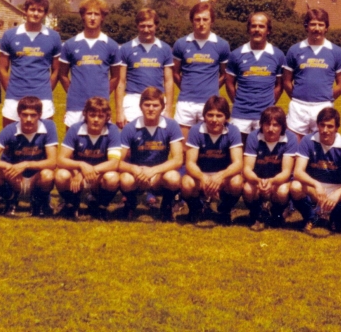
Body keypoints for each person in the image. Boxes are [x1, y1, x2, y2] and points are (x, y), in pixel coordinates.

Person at [0, 96, 58, 217]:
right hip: (13, 178)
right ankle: (10, 199)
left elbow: (53, 162)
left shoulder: (48, 127)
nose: (28, 119)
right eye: (24, 114)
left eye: (33, 115)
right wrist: (8, 166)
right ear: (18, 114)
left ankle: (38, 202)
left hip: (36, 178)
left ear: (40, 115)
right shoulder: (10, 130)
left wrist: (26, 164)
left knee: (48, 174)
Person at [118, 87, 184, 221]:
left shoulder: (171, 125)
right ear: (140, 106)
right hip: (137, 175)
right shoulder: (130, 127)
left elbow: (178, 159)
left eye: (155, 105)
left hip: (158, 175)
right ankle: (130, 204)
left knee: (173, 177)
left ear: (162, 107)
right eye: (147, 105)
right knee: (125, 178)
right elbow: (117, 161)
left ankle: (166, 207)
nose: (151, 108)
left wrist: (153, 171)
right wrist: (133, 169)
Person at [290, 107, 341, 233]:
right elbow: (298, 172)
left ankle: (335, 218)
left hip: (336, 187)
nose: (325, 130)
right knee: (295, 186)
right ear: (317, 125)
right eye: (322, 125)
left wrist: (338, 193)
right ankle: (311, 217)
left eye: (330, 126)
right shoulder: (308, 140)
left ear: (337, 128)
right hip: (314, 186)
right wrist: (316, 184)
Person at [0, 0, 62, 127]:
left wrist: (45, 89)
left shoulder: (54, 37)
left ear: (44, 14)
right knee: (11, 140)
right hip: (14, 97)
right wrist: (11, 89)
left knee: (43, 141)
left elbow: (56, 70)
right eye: (32, 9)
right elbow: (2, 68)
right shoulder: (10, 35)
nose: (36, 14)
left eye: (40, 10)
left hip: (42, 97)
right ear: (25, 11)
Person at [282, 8, 341, 140]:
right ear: (306, 26)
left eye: (321, 24)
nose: (316, 28)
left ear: (326, 27)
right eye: (313, 24)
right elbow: (286, 81)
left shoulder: (336, 51)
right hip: (298, 107)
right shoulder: (295, 50)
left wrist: (327, 96)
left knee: (321, 149)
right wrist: (297, 96)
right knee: (295, 147)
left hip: (323, 106)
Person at [55, 97, 122, 220]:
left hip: (99, 177)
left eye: (101, 116)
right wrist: (81, 166)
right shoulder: (75, 129)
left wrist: (89, 171)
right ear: (85, 114)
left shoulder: (112, 130)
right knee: (61, 175)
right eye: (92, 115)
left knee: (112, 177)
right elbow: (60, 159)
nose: (96, 119)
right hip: (77, 176)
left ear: (107, 118)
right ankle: (71, 204)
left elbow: (114, 163)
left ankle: (101, 207)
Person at [59, 0, 121, 129]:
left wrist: (104, 93)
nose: (92, 18)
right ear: (82, 16)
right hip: (76, 105)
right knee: (73, 144)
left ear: (102, 17)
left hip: (101, 105)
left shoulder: (111, 45)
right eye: (89, 13)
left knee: (99, 146)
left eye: (96, 14)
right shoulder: (70, 44)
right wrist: (73, 92)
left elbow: (116, 77)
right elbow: (62, 74)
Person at [172, 2, 231, 139]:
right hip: (185, 103)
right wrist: (186, 88)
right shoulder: (181, 44)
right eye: (197, 19)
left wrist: (212, 87)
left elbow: (225, 74)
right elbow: (175, 72)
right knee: (184, 148)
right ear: (192, 21)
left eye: (205, 19)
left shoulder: (222, 45)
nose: (201, 23)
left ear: (212, 21)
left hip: (210, 103)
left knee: (208, 148)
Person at [182, 96, 244, 225]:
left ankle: (225, 210)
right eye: (210, 115)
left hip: (223, 177)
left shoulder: (233, 131)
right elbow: (190, 163)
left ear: (226, 117)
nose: (214, 120)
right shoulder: (195, 130)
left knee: (237, 181)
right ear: (204, 116)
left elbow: (238, 163)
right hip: (201, 175)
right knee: (186, 182)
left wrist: (220, 176)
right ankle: (196, 208)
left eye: (219, 115)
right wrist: (203, 178)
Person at [225, 12, 286, 141]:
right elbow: (229, 83)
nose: (257, 30)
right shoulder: (236, 54)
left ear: (268, 30)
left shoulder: (278, 55)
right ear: (248, 29)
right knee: (238, 154)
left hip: (265, 116)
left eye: (261, 26)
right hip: (240, 115)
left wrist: (268, 104)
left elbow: (279, 86)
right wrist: (239, 101)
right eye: (253, 26)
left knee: (262, 155)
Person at [115, 8, 174, 128]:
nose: (146, 30)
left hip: (157, 100)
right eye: (142, 26)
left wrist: (168, 109)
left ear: (156, 25)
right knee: (132, 140)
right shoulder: (126, 48)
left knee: (157, 140)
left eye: (150, 26)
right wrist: (119, 111)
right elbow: (120, 82)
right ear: (137, 26)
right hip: (133, 99)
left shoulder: (165, 48)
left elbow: (169, 81)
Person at [241, 106, 297, 231]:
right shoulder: (253, 137)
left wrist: (271, 181)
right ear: (261, 124)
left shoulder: (290, 138)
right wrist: (258, 181)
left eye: (275, 125)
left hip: (278, 181)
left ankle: (277, 213)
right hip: (258, 179)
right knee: (248, 189)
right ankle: (256, 213)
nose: (271, 129)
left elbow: (286, 172)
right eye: (267, 124)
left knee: (282, 191)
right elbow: (247, 169)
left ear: (282, 126)